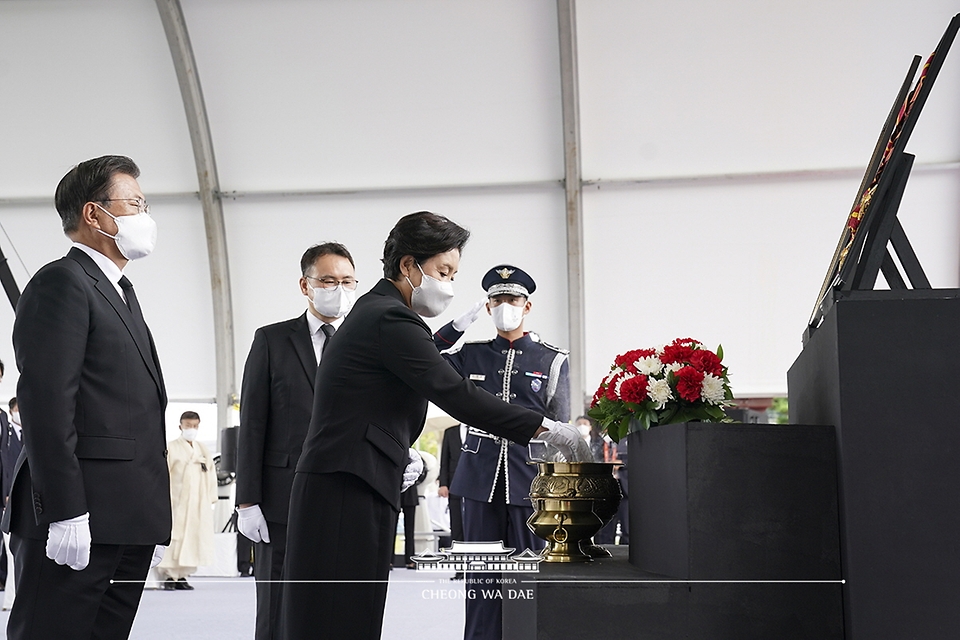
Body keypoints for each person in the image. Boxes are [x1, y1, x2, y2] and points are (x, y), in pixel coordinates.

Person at [281, 211, 589, 640]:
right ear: (409, 266)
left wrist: (397, 449)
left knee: (347, 613)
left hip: (353, 478)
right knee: (340, 615)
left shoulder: (379, 312)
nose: (447, 283)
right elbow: (457, 394)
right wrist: (548, 429)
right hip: (346, 485)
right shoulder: (391, 318)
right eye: (443, 271)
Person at [1, 155, 169, 639]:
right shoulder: (62, 283)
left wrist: (151, 513)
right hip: (81, 519)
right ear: (95, 214)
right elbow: (48, 405)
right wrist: (66, 510)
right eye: (134, 203)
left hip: (125, 520)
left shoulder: (119, 290)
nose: (145, 215)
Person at [434, 265, 570, 640]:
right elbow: (425, 355)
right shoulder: (470, 355)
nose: (504, 306)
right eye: (497, 300)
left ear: (527, 307)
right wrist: (455, 327)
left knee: (529, 576)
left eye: (512, 299)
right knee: (481, 578)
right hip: (478, 479)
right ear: (488, 306)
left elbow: (560, 429)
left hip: (530, 480)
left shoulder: (552, 359)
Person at [235, 242, 357, 640]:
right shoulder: (271, 340)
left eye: (346, 281)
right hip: (280, 498)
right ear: (305, 285)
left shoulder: (364, 344)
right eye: (327, 280)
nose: (337, 289)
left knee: (338, 604)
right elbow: (252, 423)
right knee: (276, 603)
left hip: (346, 494)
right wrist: (247, 500)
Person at [158, 411, 218, 591]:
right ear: (180, 426)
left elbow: (211, 473)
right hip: (176, 500)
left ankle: (183, 575)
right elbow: (164, 474)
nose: (191, 429)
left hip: (197, 502)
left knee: (193, 536)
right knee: (175, 536)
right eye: (187, 425)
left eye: (194, 426)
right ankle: (169, 575)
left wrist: (210, 497)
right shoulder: (172, 447)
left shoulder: (202, 449)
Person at [1, 396, 22, 609]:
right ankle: (10, 600)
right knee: (10, 552)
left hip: (23, 501)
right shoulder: (5, 437)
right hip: (6, 499)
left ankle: (16, 598)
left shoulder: (29, 436)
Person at [438, 423, 466, 563]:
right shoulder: (450, 432)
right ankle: (459, 566)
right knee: (456, 525)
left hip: (477, 486)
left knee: (476, 525)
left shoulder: (480, 431)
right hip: (454, 485)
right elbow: (444, 460)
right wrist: (443, 483)